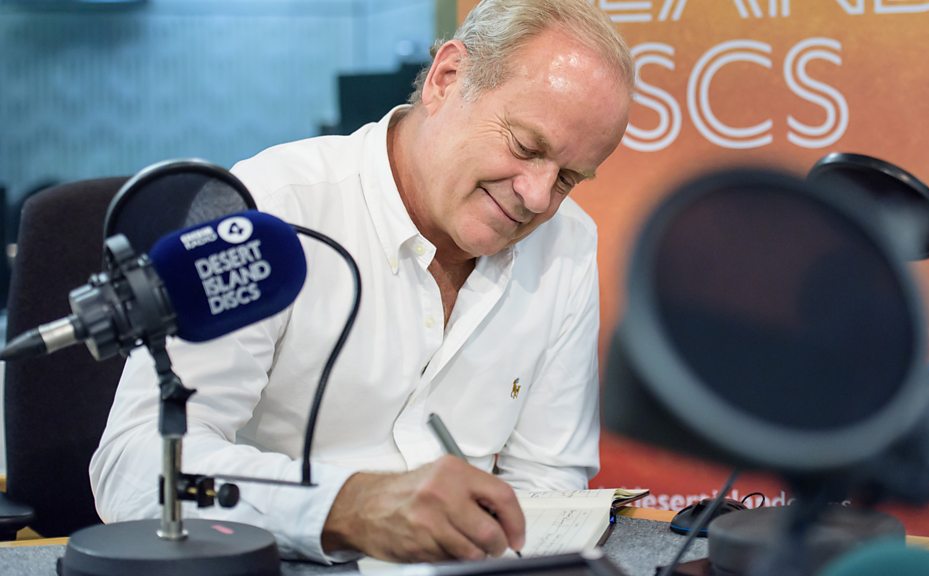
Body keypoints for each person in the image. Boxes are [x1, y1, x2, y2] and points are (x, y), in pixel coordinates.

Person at [90, 0, 634, 564]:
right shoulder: (270, 209)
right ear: (448, 78)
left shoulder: (567, 243)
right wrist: (345, 509)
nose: (538, 197)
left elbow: (548, 482)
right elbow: (136, 467)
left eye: (568, 179)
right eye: (525, 146)